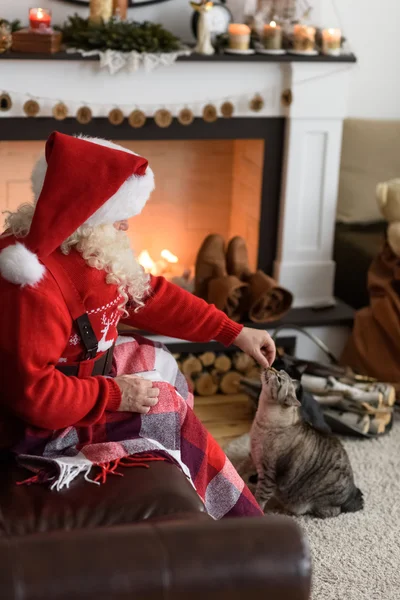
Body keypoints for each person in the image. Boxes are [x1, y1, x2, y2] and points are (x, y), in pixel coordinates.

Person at [0, 132, 275, 519]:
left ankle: (183, 471)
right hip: (36, 426)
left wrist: (233, 330)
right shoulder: (31, 287)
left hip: (82, 377)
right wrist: (114, 395)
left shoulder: (84, 250)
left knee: (158, 357)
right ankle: (242, 525)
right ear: (86, 215)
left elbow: (153, 296)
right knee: (168, 407)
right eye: (119, 218)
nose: (126, 228)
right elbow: (34, 395)